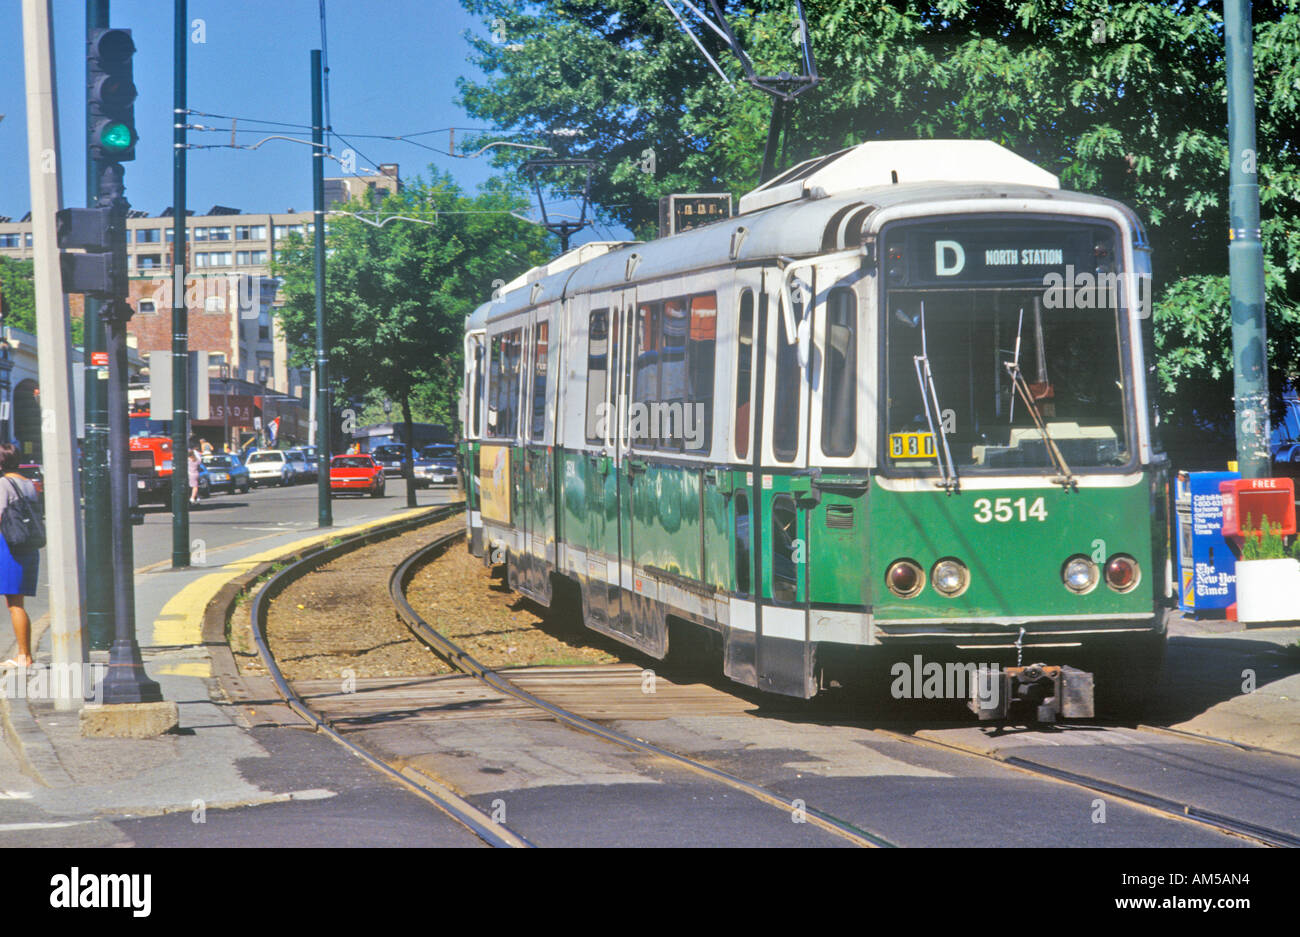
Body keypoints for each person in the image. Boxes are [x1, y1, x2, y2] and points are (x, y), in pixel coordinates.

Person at [0, 444, 39, 669]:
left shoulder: (4, 483)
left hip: (9, 546)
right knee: (18, 601)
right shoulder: (28, 483)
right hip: (27, 545)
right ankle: (24, 653)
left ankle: (24, 656)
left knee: (14, 603)